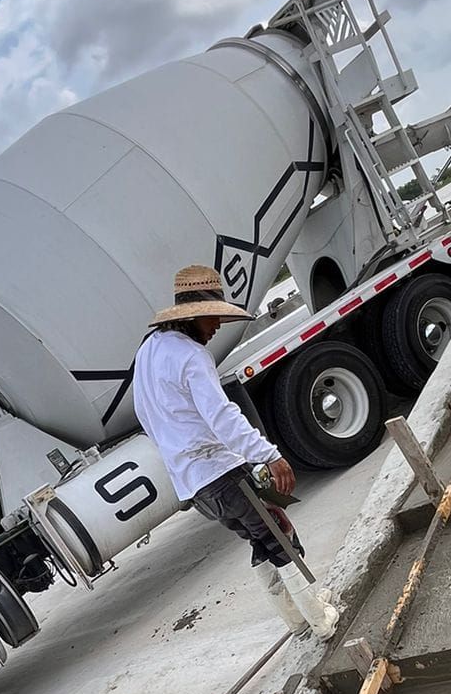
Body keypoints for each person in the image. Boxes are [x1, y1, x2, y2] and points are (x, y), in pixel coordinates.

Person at [132, 264, 340, 642]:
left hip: (195, 485)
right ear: (193, 315)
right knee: (279, 534)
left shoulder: (148, 352)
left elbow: (146, 419)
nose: (217, 328)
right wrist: (268, 455)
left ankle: (296, 616)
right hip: (221, 472)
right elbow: (221, 415)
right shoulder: (192, 356)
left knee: (259, 539)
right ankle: (319, 619)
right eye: (214, 318)